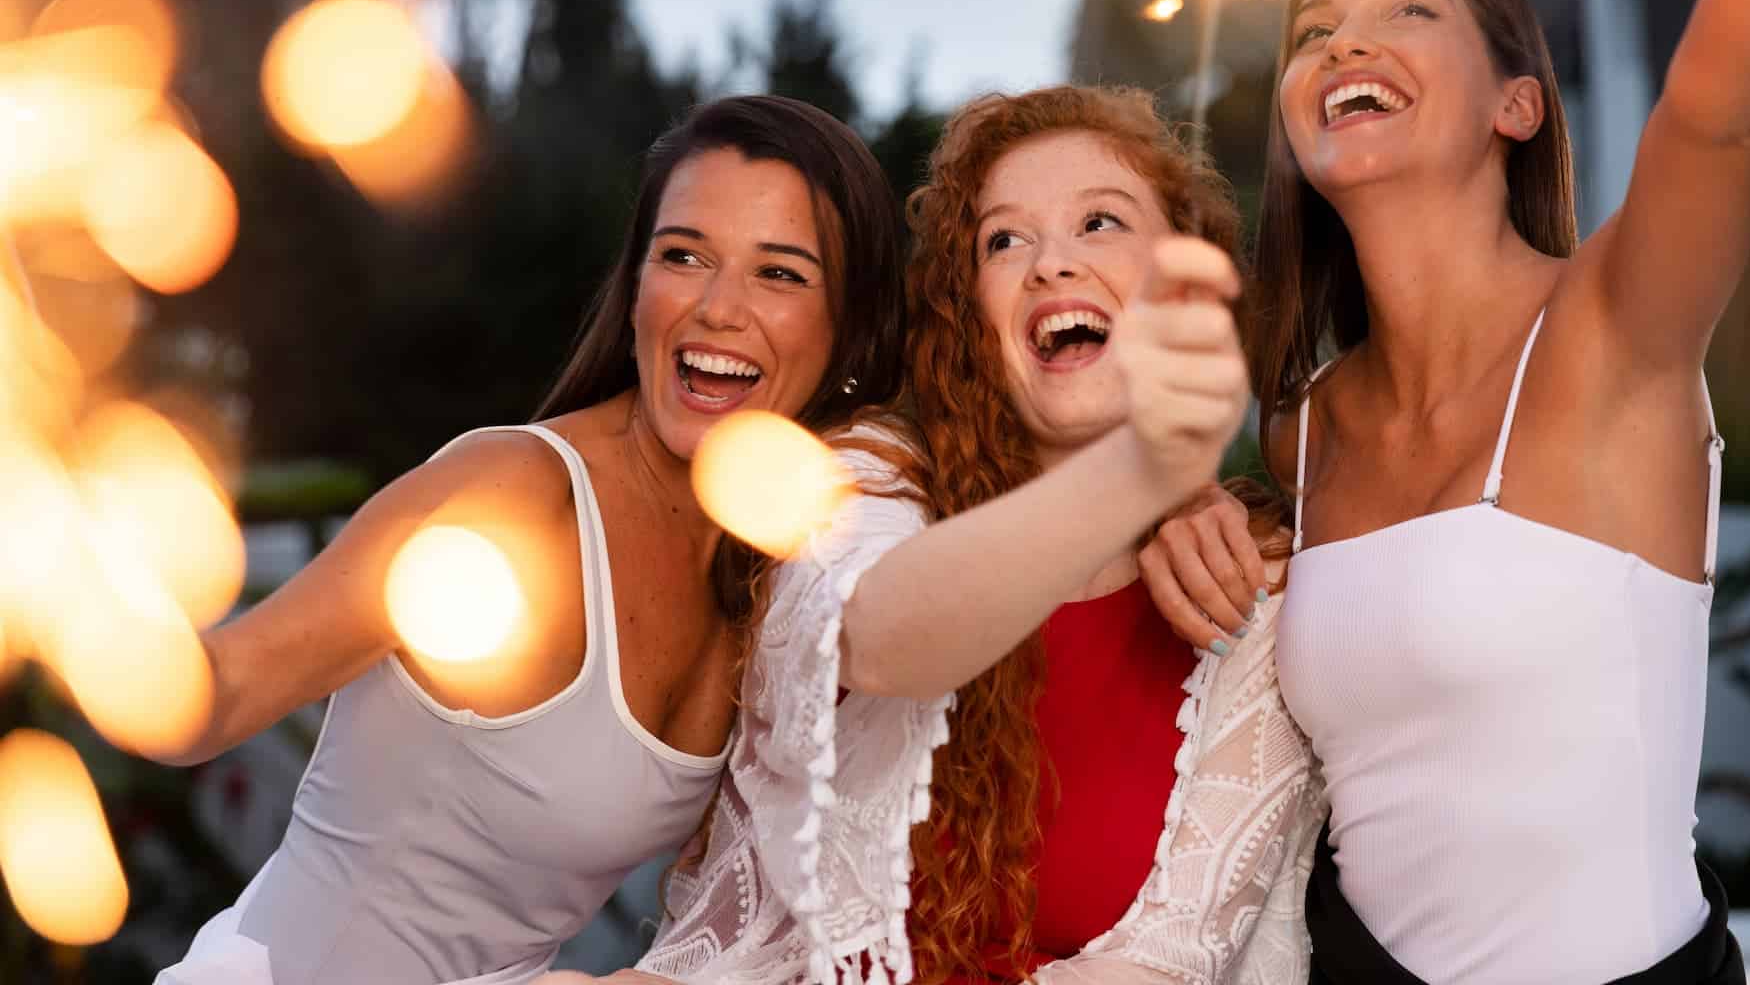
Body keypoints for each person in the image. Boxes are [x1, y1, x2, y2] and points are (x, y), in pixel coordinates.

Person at [1139, 0, 1750, 982]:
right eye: (1313, 27)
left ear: (1518, 103)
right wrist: (1171, 516)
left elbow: (1718, 124)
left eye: (1406, 8)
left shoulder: (1614, 335)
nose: (1345, 40)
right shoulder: (1299, 428)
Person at [546, 85, 1320, 985]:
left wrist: (1173, 490)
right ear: (969, 319)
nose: (1051, 265)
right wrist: (1142, 476)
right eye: (1004, 240)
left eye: (1100, 223)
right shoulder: (870, 474)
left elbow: (1167, 960)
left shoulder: (1249, 587)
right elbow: (876, 637)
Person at [155, 96, 907, 985]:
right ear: (636, 289)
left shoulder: (778, 577)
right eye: (683, 256)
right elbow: (213, 697)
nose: (716, 306)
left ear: (846, 328)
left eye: (779, 274)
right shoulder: (512, 495)